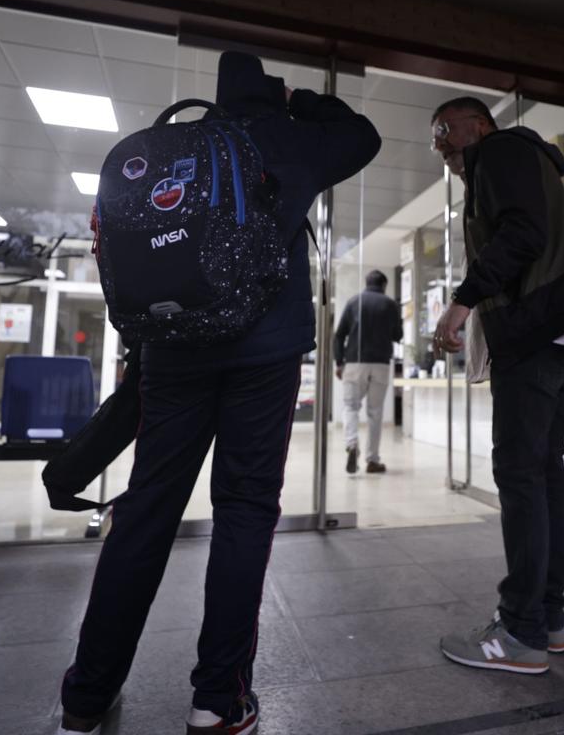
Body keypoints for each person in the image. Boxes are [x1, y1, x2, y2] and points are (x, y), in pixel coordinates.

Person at [57, 52, 380, 734]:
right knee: (245, 510)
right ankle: (218, 701)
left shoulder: (177, 146)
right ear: (271, 93)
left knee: (145, 514)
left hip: (172, 354)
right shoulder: (286, 137)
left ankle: (85, 700)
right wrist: (302, 105)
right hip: (264, 356)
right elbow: (363, 136)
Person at [428, 96, 564, 675]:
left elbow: (523, 234)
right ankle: (548, 620)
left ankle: (521, 631)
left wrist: (461, 302)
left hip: (537, 330)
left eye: (444, 130)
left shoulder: (499, 151)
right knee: (544, 471)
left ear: (478, 125)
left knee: (521, 474)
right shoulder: (517, 160)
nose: (440, 145)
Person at [334, 269, 402, 474]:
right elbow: (398, 335)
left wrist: (339, 362)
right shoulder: (390, 304)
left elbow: (339, 336)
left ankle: (352, 444)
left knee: (351, 407)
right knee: (375, 412)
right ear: (384, 285)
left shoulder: (354, 301)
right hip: (380, 363)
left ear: (367, 283)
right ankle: (372, 460)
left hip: (355, 362)